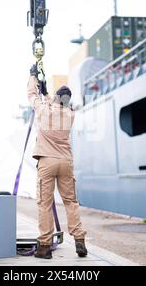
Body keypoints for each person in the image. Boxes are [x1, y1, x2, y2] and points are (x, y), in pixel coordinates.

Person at [27, 65, 87, 259]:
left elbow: (31, 94)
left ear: (55, 98)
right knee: (70, 201)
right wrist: (47, 94)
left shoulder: (44, 110)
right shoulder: (70, 114)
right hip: (65, 162)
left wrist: (33, 77)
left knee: (45, 203)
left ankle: (44, 246)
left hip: (47, 162)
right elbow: (58, 105)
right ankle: (79, 241)